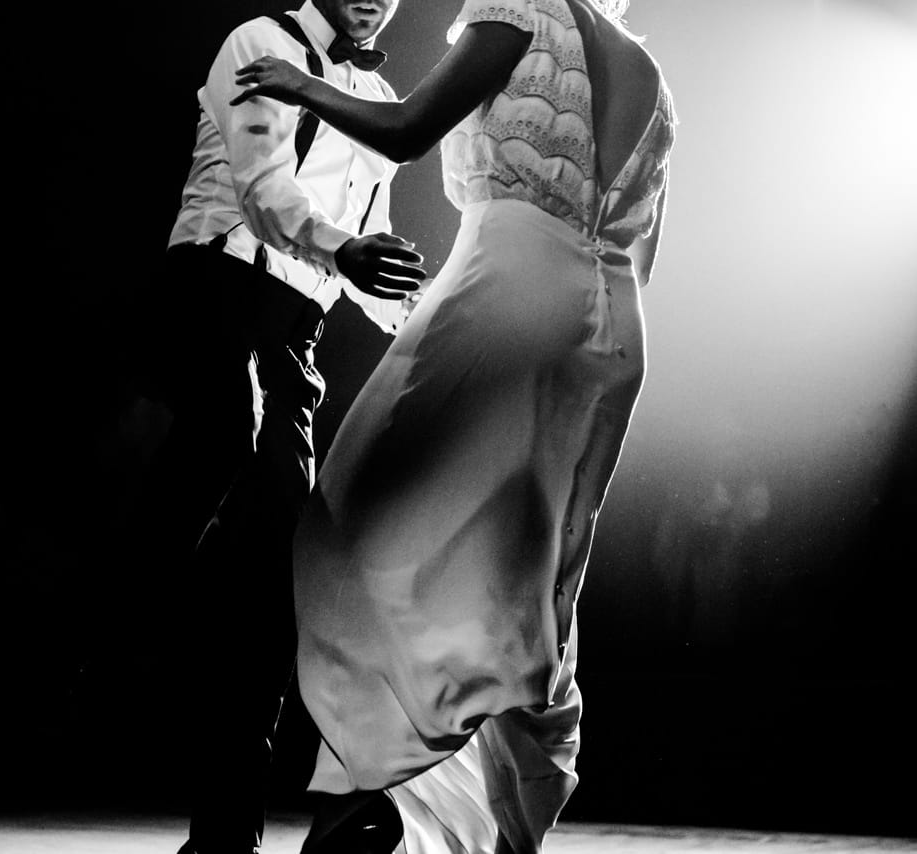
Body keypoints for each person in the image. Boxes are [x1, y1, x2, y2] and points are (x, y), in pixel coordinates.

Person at [232, 0, 676, 849]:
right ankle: (457, 809)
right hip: (614, 329)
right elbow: (645, 247)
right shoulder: (652, 77)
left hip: (511, 279)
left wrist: (300, 85)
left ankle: (370, 792)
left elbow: (407, 130)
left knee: (351, 520)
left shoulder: (521, 8)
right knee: (526, 572)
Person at [141, 2, 425, 853]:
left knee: (274, 580)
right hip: (216, 298)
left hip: (295, 335)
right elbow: (267, 197)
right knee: (223, 456)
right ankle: (103, 643)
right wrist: (345, 253)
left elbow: (372, 262)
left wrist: (448, 326)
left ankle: (224, 833)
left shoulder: (378, 99)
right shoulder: (258, 43)